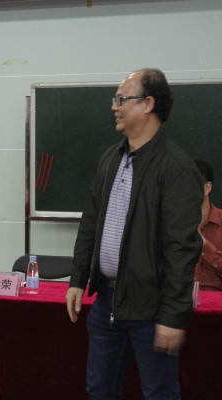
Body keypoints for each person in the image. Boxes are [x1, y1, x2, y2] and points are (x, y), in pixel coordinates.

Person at [65, 68, 203, 399]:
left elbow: (182, 250)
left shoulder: (177, 169)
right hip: (106, 302)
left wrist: (173, 316)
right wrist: (77, 279)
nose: (114, 106)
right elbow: (90, 223)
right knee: (99, 390)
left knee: (159, 393)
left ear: (148, 104)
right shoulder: (110, 158)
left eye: (121, 99)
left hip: (151, 308)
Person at [194, 159, 222, 291]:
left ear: (207, 188)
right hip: (178, 298)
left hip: (215, 297)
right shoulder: (171, 222)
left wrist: (204, 244)